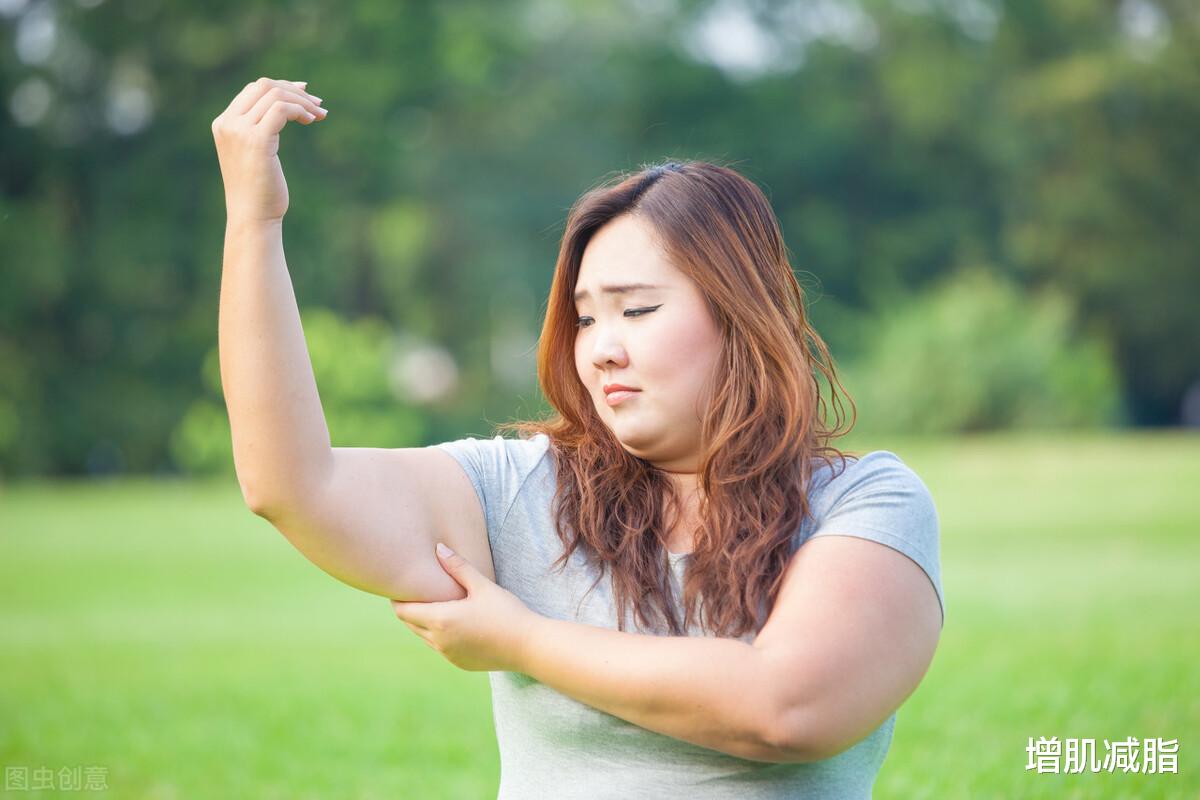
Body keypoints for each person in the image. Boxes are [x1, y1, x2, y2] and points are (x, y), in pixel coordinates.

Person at [212, 77, 945, 799]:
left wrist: (522, 640)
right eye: (588, 318)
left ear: (742, 316)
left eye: (638, 310)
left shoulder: (864, 503)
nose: (600, 349)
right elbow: (293, 485)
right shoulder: (519, 490)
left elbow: (789, 709)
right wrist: (255, 221)